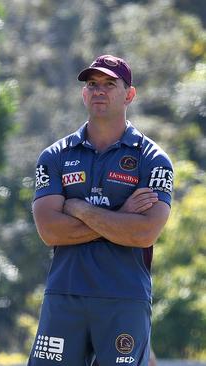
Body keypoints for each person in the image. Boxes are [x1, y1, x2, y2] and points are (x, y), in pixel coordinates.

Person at [28, 55, 173, 365]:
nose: (99, 91)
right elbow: (49, 231)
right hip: (65, 295)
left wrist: (78, 208)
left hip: (124, 298)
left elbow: (145, 233)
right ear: (84, 94)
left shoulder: (154, 160)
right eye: (92, 85)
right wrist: (123, 215)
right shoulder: (54, 156)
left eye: (110, 84)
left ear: (129, 94)